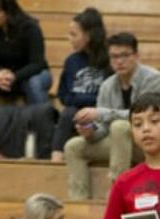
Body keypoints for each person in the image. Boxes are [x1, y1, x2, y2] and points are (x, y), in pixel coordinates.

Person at [64, 33, 160, 201]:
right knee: (73, 146)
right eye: (114, 56)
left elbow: (144, 116)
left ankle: (118, 189)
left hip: (148, 144)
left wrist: (102, 113)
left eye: (125, 55)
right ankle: (78, 201)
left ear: (136, 55)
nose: (119, 61)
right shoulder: (107, 85)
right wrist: (90, 131)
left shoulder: (153, 78)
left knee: (120, 126)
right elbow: (102, 129)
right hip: (120, 145)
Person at [51, 7, 109, 163]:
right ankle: (56, 157)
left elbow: (107, 97)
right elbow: (63, 95)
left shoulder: (109, 61)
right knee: (67, 113)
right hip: (76, 113)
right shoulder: (71, 61)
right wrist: (83, 101)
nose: (69, 38)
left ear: (88, 36)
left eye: (74, 34)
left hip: (101, 113)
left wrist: (82, 99)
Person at [0, 0, 51, 113]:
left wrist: (14, 76)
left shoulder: (30, 27)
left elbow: (37, 63)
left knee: (34, 83)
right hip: (2, 76)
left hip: (30, 73)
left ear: (8, 12)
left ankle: (43, 126)